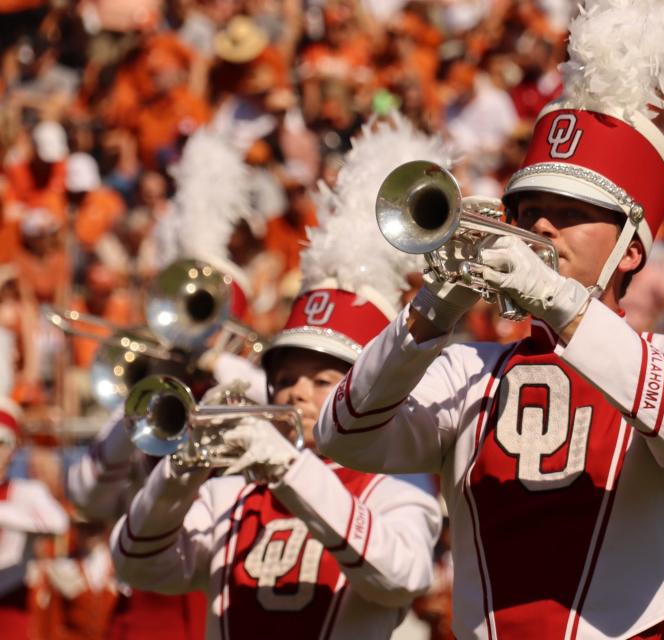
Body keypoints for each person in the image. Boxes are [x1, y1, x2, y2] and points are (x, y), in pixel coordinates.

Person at [315, 3, 664, 637]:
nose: (539, 225)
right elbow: (343, 435)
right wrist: (436, 306)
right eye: (528, 208)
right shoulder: (466, 369)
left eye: (569, 211)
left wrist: (561, 302)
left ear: (633, 249)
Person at [109, 112, 446, 640]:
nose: (295, 392)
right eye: (287, 377)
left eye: (321, 379)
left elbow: (399, 576)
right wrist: (184, 468)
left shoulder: (395, 484)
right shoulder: (233, 493)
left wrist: (287, 468)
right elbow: (138, 563)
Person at [0, 396, 69, 639]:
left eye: (2, 442)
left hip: (11, 601)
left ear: (14, 448)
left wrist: (4, 514)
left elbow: (58, 522)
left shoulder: (26, 491)